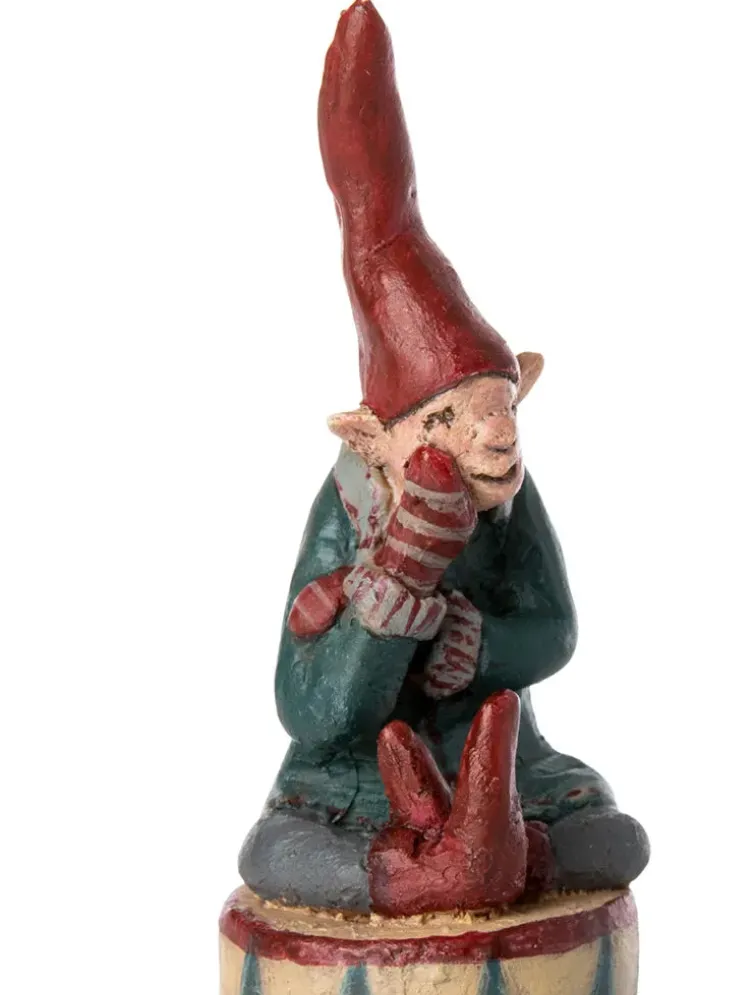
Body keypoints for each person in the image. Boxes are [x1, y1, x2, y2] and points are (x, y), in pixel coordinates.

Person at [239, 0, 649, 914]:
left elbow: (554, 626)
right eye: (450, 420)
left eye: (501, 409)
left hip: (497, 759)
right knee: (281, 853)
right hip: (353, 778)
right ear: (372, 440)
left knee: (613, 835)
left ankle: (509, 851)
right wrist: (380, 617)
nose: (493, 436)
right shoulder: (347, 515)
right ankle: (410, 871)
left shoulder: (508, 501)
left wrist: (483, 646)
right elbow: (310, 709)